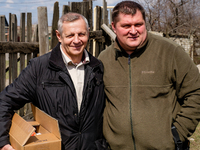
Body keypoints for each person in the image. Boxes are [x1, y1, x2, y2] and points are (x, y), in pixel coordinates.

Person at [98, 1, 200, 150]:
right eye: (126, 26)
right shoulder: (104, 59)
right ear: (114, 27)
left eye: (138, 24)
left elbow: (195, 92)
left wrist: (177, 134)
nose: (133, 31)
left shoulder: (171, 52)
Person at [0, 12, 106, 150]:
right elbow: (5, 101)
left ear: (88, 33)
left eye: (81, 34)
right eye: (70, 35)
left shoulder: (97, 67)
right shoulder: (39, 68)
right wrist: (3, 142)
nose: (76, 40)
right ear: (58, 36)